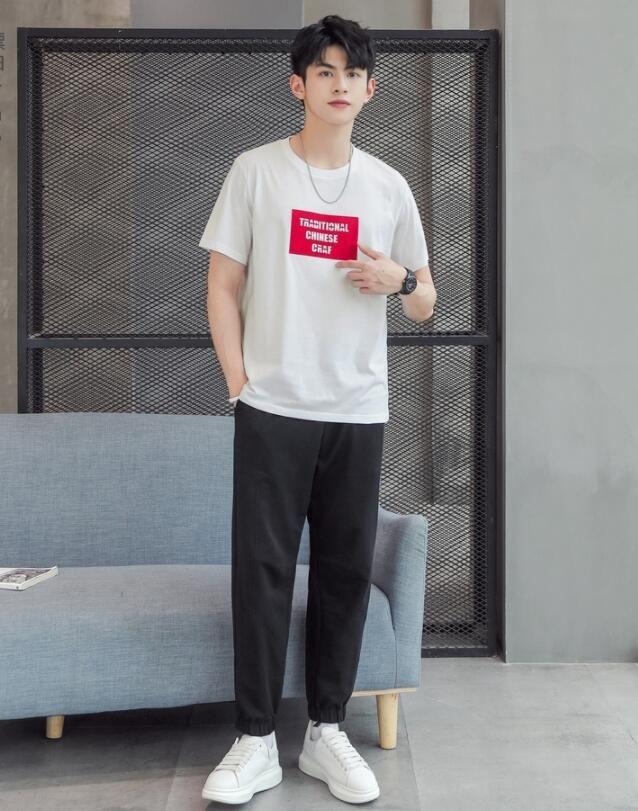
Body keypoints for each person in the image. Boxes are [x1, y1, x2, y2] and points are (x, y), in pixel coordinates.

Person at [198, 13, 436, 805]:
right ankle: (256, 739)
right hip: (272, 406)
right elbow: (222, 285)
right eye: (324, 72)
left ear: (370, 89)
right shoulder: (255, 171)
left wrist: (401, 280)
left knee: (343, 572)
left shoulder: (388, 186)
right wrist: (240, 383)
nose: (339, 85)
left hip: (357, 409)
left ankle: (327, 731)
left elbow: (427, 301)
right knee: (262, 572)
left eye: (352, 74)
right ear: (297, 84)